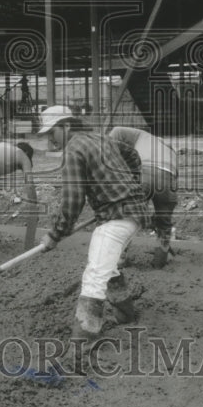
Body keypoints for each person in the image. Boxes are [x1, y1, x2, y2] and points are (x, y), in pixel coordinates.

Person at [37, 106, 150, 346]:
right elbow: (132, 155)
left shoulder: (74, 149)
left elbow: (73, 201)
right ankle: (126, 313)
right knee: (106, 264)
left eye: (52, 132)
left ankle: (83, 339)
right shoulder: (101, 138)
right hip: (132, 211)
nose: (50, 138)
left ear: (66, 126)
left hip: (118, 216)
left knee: (94, 276)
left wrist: (55, 235)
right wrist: (133, 185)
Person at [106, 124, 178, 265]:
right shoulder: (171, 152)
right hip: (169, 180)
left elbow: (115, 132)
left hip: (145, 173)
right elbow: (173, 184)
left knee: (128, 217)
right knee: (164, 222)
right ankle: (160, 259)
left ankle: (120, 259)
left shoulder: (140, 135)